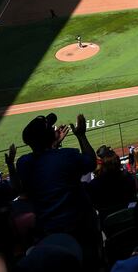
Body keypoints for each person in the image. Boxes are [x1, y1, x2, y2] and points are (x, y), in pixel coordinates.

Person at [15, 113, 99, 267]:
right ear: (48, 137)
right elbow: (91, 163)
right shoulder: (66, 156)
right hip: (80, 228)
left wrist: (52, 145)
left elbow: (46, 163)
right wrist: (81, 135)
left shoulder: (23, 163)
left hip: (48, 234)